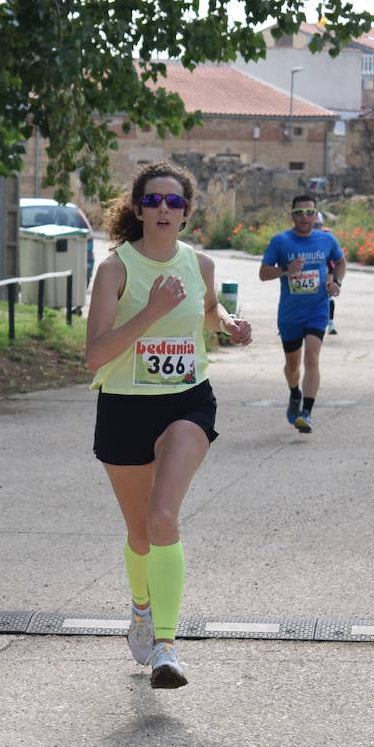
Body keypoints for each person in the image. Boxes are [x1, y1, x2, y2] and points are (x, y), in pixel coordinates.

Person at [85, 161, 251, 689]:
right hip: (124, 406)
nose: (162, 209)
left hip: (187, 401)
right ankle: (140, 606)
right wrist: (151, 313)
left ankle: (166, 645)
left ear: (186, 212)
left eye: (173, 202)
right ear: (137, 208)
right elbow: (95, 354)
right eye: (153, 200)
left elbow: (207, 310)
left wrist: (227, 324)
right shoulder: (116, 269)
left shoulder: (198, 264)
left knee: (163, 517)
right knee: (139, 534)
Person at [258, 195, 347, 433]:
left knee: (312, 358)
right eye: (299, 212)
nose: (305, 217)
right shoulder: (280, 241)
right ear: (292, 215)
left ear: (316, 215)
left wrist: (336, 282)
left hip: (317, 309)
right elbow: (263, 273)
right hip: (289, 314)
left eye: (310, 213)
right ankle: (295, 393)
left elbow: (340, 262)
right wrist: (286, 270)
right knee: (292, 366)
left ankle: (306, 413)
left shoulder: (327, 240)